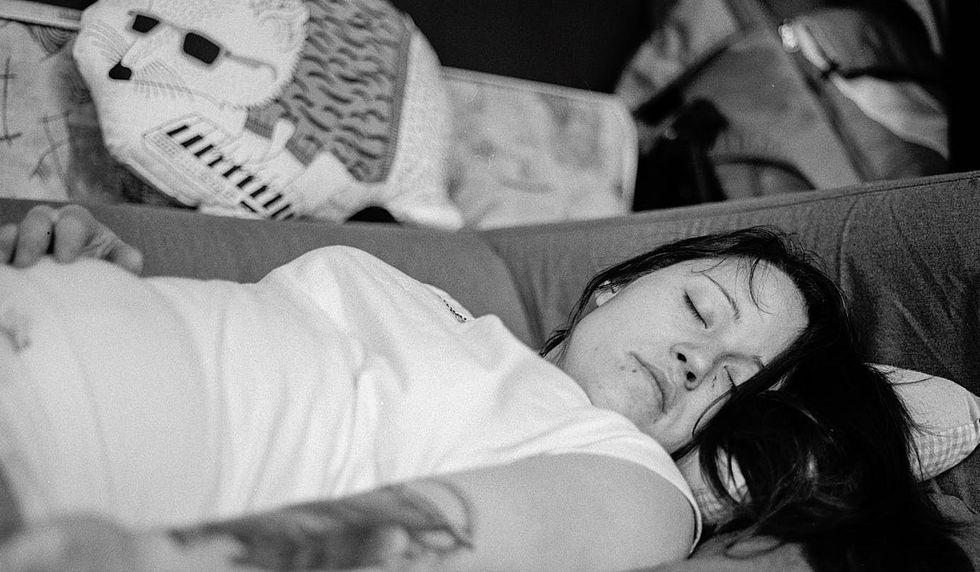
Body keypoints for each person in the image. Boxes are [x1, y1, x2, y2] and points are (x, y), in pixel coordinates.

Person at [0, 204, 969, 572]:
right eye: (700, 309)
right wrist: (90, 271)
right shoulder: (417, 297)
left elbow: (429, 536)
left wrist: (134, 562)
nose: (696, 361)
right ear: (613, 286)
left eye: (733, 382)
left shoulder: (630, 480)